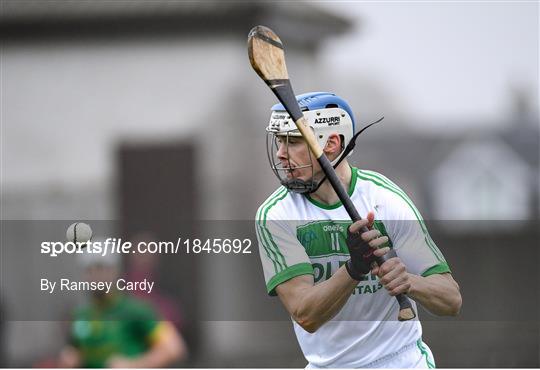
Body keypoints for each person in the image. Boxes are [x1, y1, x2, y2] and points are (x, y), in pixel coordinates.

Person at [255, 92, 462, 368]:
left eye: (293, 141)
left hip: (399, 361)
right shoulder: (276, 215)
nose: (281, 153)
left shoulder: (385, 199)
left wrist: (409, 282)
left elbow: (451, 299)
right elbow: (306, 315)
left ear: (331, 143)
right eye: (280, 140)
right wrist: (354, 268)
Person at [58, 245, 187, 368]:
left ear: (115, 271)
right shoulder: (80, 315)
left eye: (101, 269)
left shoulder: (137, 310)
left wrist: (133, 365)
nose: (96, 276)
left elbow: (173, 349)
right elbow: (74, 352)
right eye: (90, 270)